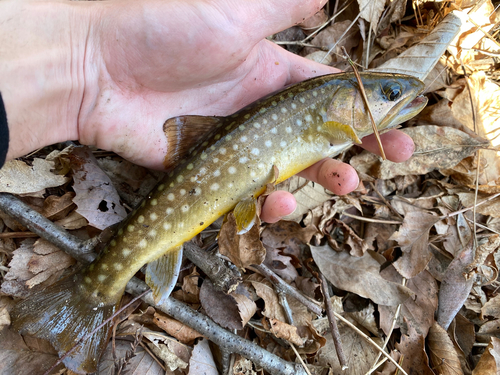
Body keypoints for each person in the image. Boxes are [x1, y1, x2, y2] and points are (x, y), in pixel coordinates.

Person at [0, 0, 414, 223]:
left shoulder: (327, 112)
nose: (400, 95)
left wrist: (91, 62)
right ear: (339, 106)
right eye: (391, 91)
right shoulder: (325, 110)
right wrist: (94, 61)